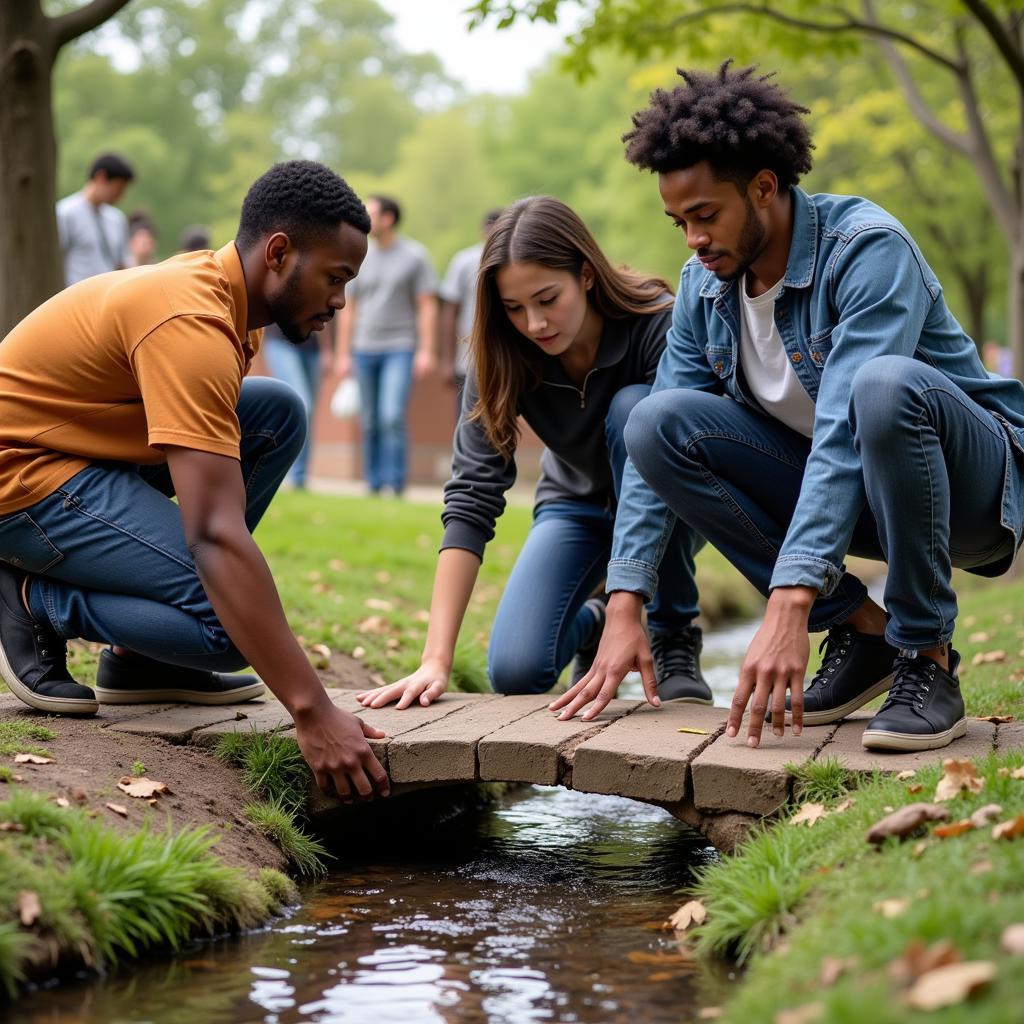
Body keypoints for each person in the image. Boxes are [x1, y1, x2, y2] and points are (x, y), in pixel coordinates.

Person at [553, 62, 1024, 754]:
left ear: (765, 188)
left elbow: (842, 429)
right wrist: (627, 598)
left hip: (972, 494)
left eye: (705, 215)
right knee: (653, 421)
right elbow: (663, 437)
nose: (692, 239)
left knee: (881, 386)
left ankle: (926, 659)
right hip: (859, 504)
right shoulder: (702, 289)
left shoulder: (866, 249)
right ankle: (863, 632)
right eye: (678, 221)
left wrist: (789, 601)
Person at [0, 160, 389, 801]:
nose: (341, 302)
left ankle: (140, 662)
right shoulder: (191, 325)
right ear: (280, 253)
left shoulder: (222, 298)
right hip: (22, 480)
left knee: (273, 414)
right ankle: (33, 599)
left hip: (77, 453)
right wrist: (313, 711)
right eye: (336, 278)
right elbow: (213, 535)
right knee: (224, 625)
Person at [356, 196, 705, 711]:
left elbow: (684, 451)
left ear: (586, 274)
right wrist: (436, 658)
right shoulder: (500, 353)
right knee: (517, 670)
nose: (535, 323)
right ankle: (595, 622)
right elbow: (472, 494)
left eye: (547, 299)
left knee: (635, 410)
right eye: (514, 308)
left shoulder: (658, 321)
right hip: (577, 505)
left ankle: (674, 635)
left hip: (669, 506)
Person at [334, 196, 438, 496]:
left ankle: (396, 483)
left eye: (371, 213)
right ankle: (374, 484)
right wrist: (343, 354)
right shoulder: (357, 254)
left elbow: (427, 306)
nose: (364, 217)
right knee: (368, 420)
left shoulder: (415, 256)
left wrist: (427, 350)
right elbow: (348, 308)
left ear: (388, 218)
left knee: (391, 415)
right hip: (363, 348)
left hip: (400, 346)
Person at [439, 209, 503, 418]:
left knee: (501, 419)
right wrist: (448, 359)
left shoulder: (514, 260)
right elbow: (450, 310)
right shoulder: (464, 261)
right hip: (469, 359)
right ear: (483, 231)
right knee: (466, 418)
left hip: (504, 357)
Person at [262, 322, 328, 489]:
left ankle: (299, 475)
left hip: (312, 347)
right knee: (303, 404)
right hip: (281, 341)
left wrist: (327, 350)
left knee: (309, 412)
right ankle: (291, 472)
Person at [56, 153, 135, 286]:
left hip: (108, 297)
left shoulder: (116, 219)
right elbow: (57, 261)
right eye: (118, 188)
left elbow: (121, 265)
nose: (120, 196)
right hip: (76, 297)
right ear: (101, 177)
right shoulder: (65, 213)